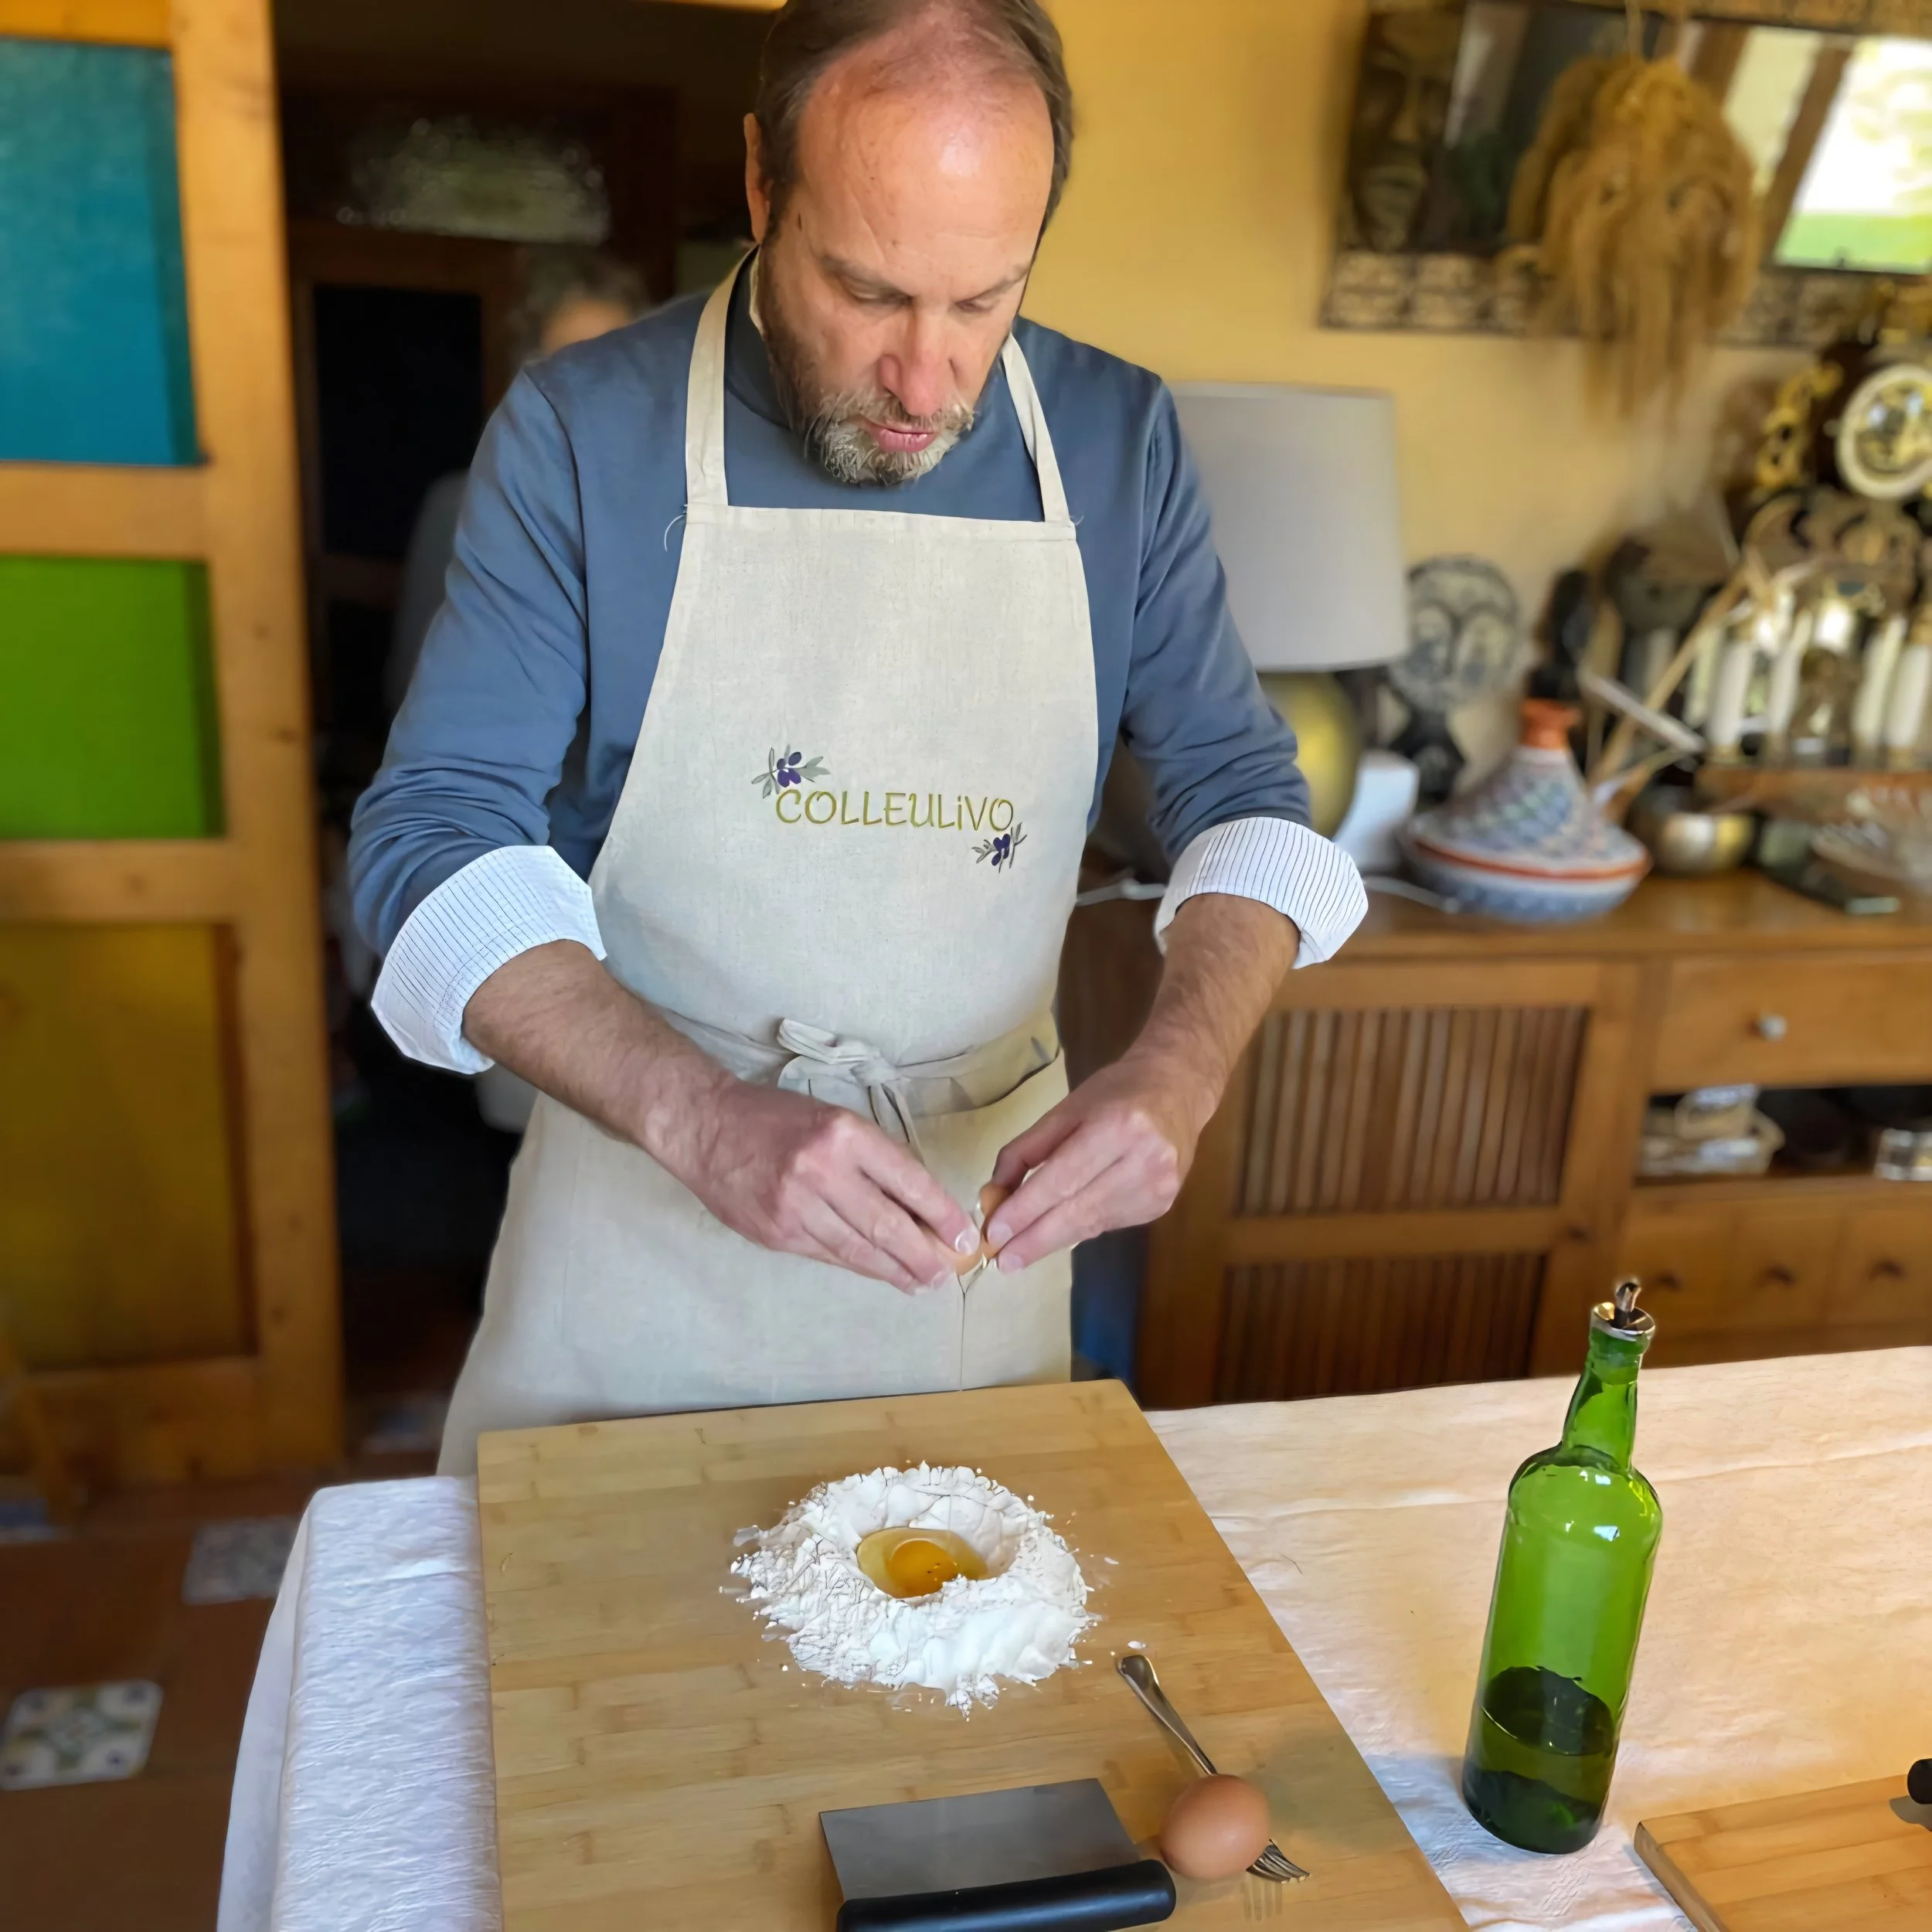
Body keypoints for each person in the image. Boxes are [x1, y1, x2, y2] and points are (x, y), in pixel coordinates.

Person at [349, 0, 1368, 1475]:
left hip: (967, 1274)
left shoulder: (1113, 441)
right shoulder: (583, 434)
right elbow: (428, 843)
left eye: (984, 300)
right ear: (764, 187)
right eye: (869, 292)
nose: (926, 380)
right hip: (639, 1245)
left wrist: (1180, 1072)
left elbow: (1248, 804)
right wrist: (703, 1119)